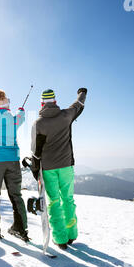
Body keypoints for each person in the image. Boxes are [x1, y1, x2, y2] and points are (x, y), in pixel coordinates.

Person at [30, 88, 87, 250]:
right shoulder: (66, 116)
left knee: (54, 202)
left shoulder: (38, 124)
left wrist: (35, 171)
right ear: (54, 101)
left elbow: (35, 151)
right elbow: (79, 104)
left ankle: (60, 239)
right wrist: (82, 92)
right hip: (67, 166)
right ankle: (72, 234)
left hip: (48, 169)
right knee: (68, 199)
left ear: (42, 103)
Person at [0, 90, 29, 241]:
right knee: (16, 195)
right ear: (8, 104)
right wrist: (20, 110)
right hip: (13, 160)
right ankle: (21, 228)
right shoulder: (14, 119)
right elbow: (21, 117)